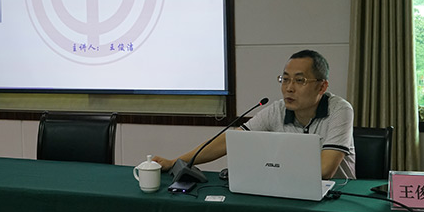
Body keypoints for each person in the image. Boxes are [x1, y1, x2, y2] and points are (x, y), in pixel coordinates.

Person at [153, 49, 356, 179]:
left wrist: (270, 169)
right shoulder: (278, 110)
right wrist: (176, 161)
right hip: (289, 190)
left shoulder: (340, 110)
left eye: (299, 80)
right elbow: (229, 142)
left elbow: (325, 170)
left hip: (337, 197)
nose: (289, 88)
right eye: (285, 79)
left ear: (322, 86)